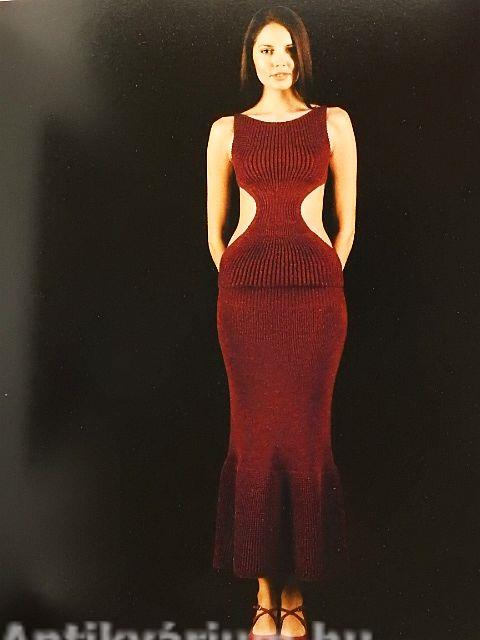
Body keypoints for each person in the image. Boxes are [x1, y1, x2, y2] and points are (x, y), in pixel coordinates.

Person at [206, 6, 357, 640]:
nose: (278, 60)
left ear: (302, 55)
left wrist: (320, 271)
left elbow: (346, 226)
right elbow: (215, 233)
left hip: (315, 302)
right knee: (255, 441)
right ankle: (264, 597)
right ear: (252, 57)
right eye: (267, 50)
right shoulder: (226, 130)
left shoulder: (333, 123)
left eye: (288, 48)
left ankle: (293, 595)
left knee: (303, 441)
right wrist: (243, 274)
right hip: (245, 303)